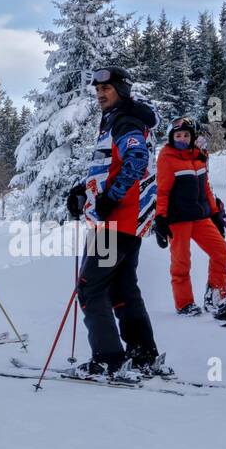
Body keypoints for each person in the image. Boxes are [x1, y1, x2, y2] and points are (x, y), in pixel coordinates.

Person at [65, 67, 166, 380]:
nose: (100, 94)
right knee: (122, 288)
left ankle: (108, 359)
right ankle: (143, 354)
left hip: (113, 224)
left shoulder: (125, 120)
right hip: (123, 223)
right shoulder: (115, 120)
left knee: (90, 289)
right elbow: (110, 166)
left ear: (121, 89)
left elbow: (136, 161)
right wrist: (84, 189)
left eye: (106, 89)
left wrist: (111, 197)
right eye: (97, 90)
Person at [154, 117, 226, 317]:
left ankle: (215, 295)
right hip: (178, 219)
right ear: (171, 138)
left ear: (192, 137)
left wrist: (215, 214)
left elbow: (206, 188)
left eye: (186, 135)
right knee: (181, 263)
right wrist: (160, 218)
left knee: (220, 250)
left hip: (200, 217)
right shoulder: (167, 157)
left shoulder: (199, 156)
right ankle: (185, 304)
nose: (182, 138)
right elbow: (162, 191)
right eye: (178, 135)